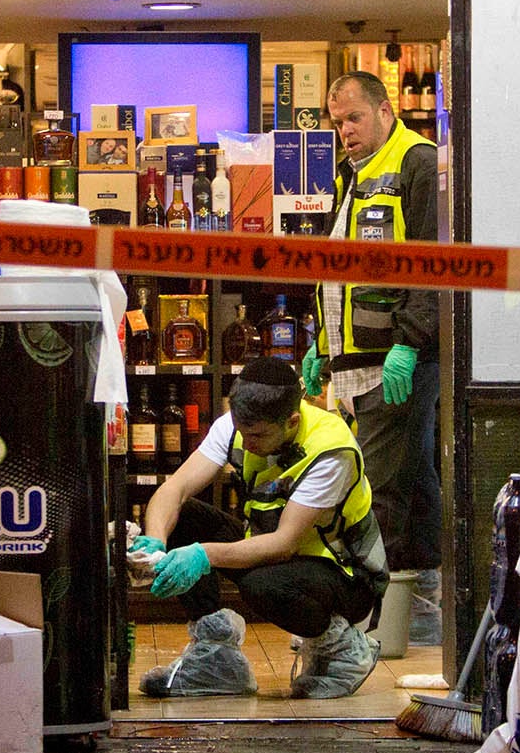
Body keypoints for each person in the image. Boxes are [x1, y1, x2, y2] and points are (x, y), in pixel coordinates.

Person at [134, 356, 388, 699]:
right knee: (186, 517)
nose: (246, 441)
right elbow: (173, 491)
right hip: (279, 553)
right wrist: (155, 541)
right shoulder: (238, 426)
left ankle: (343, 647)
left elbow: (283, 544)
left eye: (257, 435)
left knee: (262, 585)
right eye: (241, 431)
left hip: (345, 574)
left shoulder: (330, 450)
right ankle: (217, 662)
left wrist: (202, 555)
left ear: (291, 421)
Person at [302, 71, 444, 646]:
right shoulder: (354, 175)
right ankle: (428, 606)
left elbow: (434, 262)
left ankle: (374, 620)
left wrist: (410, 342)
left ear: (386, 111)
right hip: (358, 359)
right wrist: (323, 342)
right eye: (337, 123)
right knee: (413, 477)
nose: (345, 132)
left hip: (397, 357)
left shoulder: (418, 163)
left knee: (382, 486)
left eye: (354, 118)